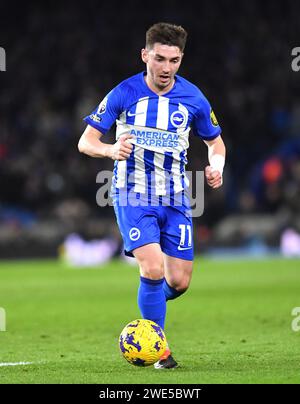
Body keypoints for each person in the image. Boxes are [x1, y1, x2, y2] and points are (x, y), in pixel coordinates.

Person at [78, 22, 226, 369]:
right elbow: (86, 141)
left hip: (176, 198)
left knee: (179, 281)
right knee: (153, 268)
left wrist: (216, 165)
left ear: (181, 59)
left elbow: (214, 141)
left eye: (174, 60)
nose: (166, 68)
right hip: (132, 195)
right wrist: (111, 150)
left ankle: (149, 310)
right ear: (145, 55)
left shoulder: (193, 98)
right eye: (159, 59)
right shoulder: (124, 93)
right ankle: (158, 350)